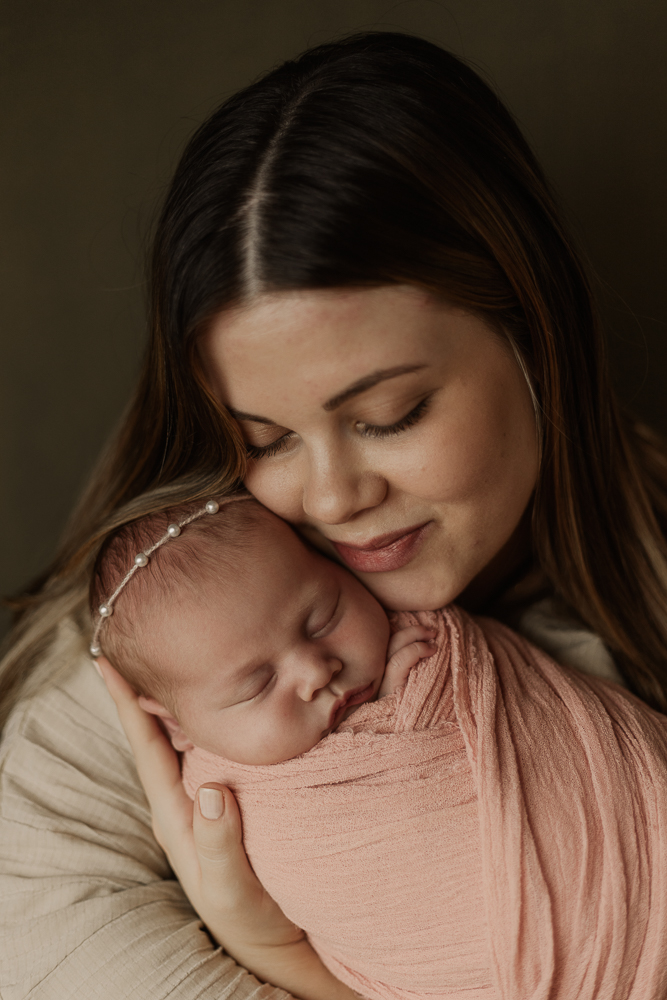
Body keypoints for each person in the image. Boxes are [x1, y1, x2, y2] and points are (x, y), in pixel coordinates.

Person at [3, 30, 667, 1000]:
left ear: (534, 336)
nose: (329, 497)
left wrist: (267, 948)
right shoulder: (176, 629)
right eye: (264, 437)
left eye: (386, 416)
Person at [90, 495, 667, 1000]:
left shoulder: (418, 635)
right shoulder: (236, 791)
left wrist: (401, 700)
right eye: (257, 684)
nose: (317, 670)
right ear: (178, 726)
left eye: (322, 619)